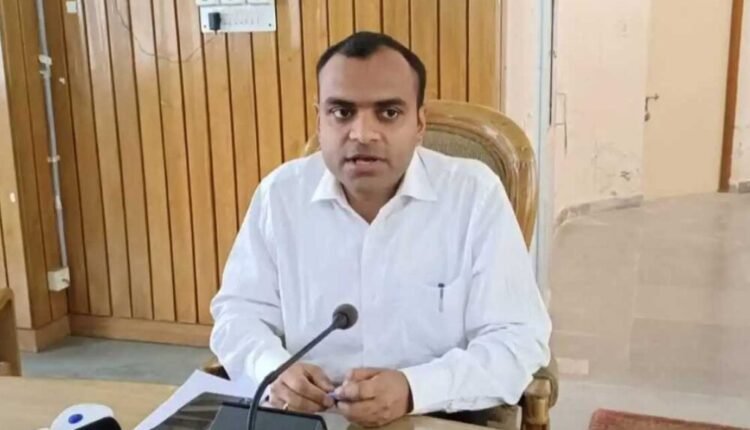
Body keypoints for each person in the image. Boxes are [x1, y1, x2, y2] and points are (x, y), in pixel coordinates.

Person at [210, 31, 551, 428]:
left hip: (436, 413)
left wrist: (413, 389)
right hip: (305, 415)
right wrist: (272, 369)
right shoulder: (280, 195)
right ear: (319, 120)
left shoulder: (474, 195)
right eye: (342, 112)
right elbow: (237, 315)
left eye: (388, 113)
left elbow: (517, 339)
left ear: (419, 123)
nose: (362, 134)